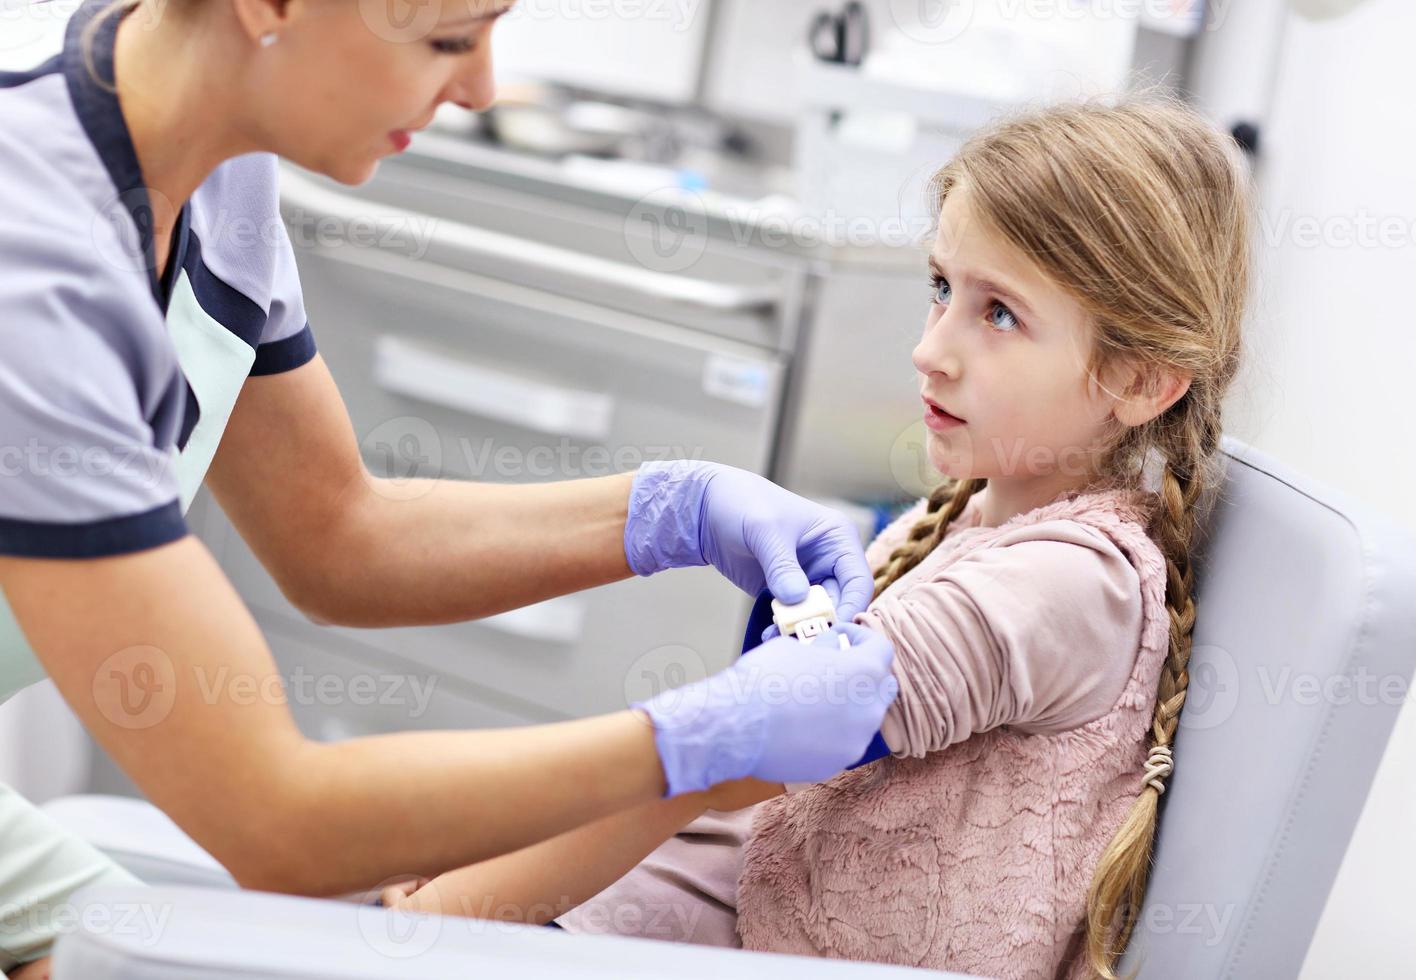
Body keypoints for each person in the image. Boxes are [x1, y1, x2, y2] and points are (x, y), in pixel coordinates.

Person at [0, 1, 897, 974]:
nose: (480, 89)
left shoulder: (225, 184)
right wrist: (700, 741)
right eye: (449, 40)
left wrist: (665, 509)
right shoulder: (33, 264)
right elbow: (278, 820)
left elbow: (338, 535)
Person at [383, 95, 1256, 980]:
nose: (931, 350)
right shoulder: (963, 515)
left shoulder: (1072, 587)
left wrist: (452, 915)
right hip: (734, 905)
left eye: (1000, 315)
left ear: (1140, 380)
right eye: (942, 288)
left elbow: (725, 757)